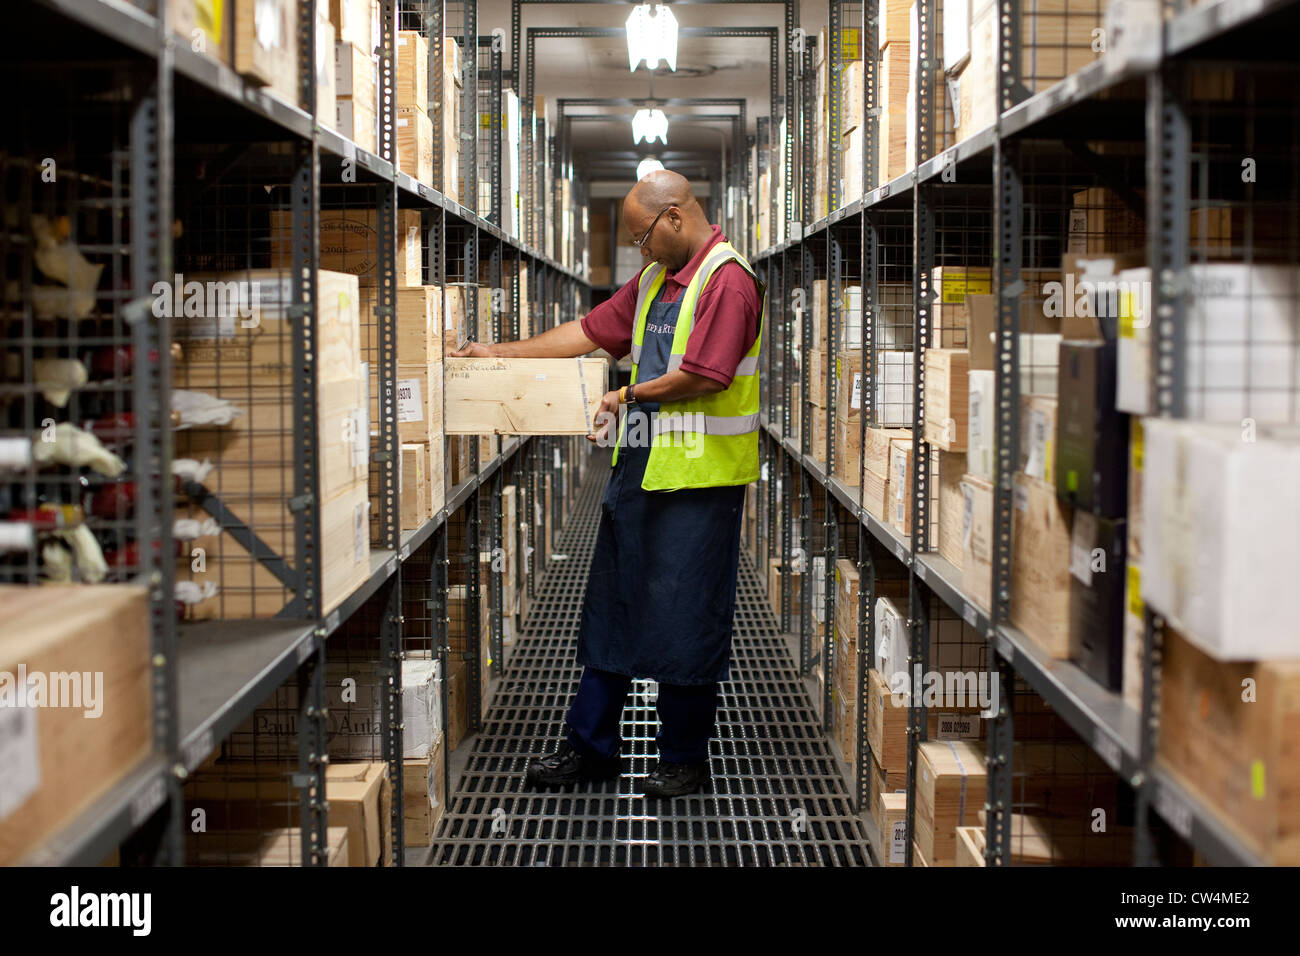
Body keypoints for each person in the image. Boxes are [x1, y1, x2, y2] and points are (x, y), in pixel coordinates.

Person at [450, 169, 765, 797]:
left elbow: (707, 374)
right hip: (640, 472)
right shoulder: (655, 279)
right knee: (611, 612)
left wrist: (624, 393)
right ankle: (590, 748)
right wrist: (501, 353)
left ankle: (682, 758)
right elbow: (590, 333)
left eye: (643, 237)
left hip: (699, 487)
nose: (639, 251)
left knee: (685, 619)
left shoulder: (728, 281)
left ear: (674, 216)